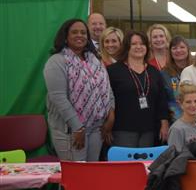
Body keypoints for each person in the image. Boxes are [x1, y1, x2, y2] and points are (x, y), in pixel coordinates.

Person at [44, 18, 114, 162]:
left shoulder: (95, 59)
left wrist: (111, 115)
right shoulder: (56, 61)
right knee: (76, 177)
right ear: (65, 37)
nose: (80, 35)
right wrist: (78, 128)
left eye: (83, 32)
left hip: (96, 128)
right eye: (74, 32)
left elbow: (107, 89)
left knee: (91, 174)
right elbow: (58, 98)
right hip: (70, 130)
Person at [106, 30, 169, 147]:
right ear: (126, 47)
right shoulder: (113, 71)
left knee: (145, 164)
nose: (138, 47)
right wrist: (107, 124)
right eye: (134, 44)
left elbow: (161, 100)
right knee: (126, 163)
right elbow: (107, 100)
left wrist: (164, 123)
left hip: (149, 130)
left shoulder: (154, 71)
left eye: (142, 44)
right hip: (122, 129)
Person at [167, 82, 196, 152]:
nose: (193, 105)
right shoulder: (176, 130)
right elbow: (175, 159)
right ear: (180, 104)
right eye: (188, 102)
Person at [161, 36, 192, 124]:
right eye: (174, 48)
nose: (178, 50)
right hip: (174, 121)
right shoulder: (164, 73)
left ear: (188, 49)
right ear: (170, 52)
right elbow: (162, 101)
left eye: (182, 47)